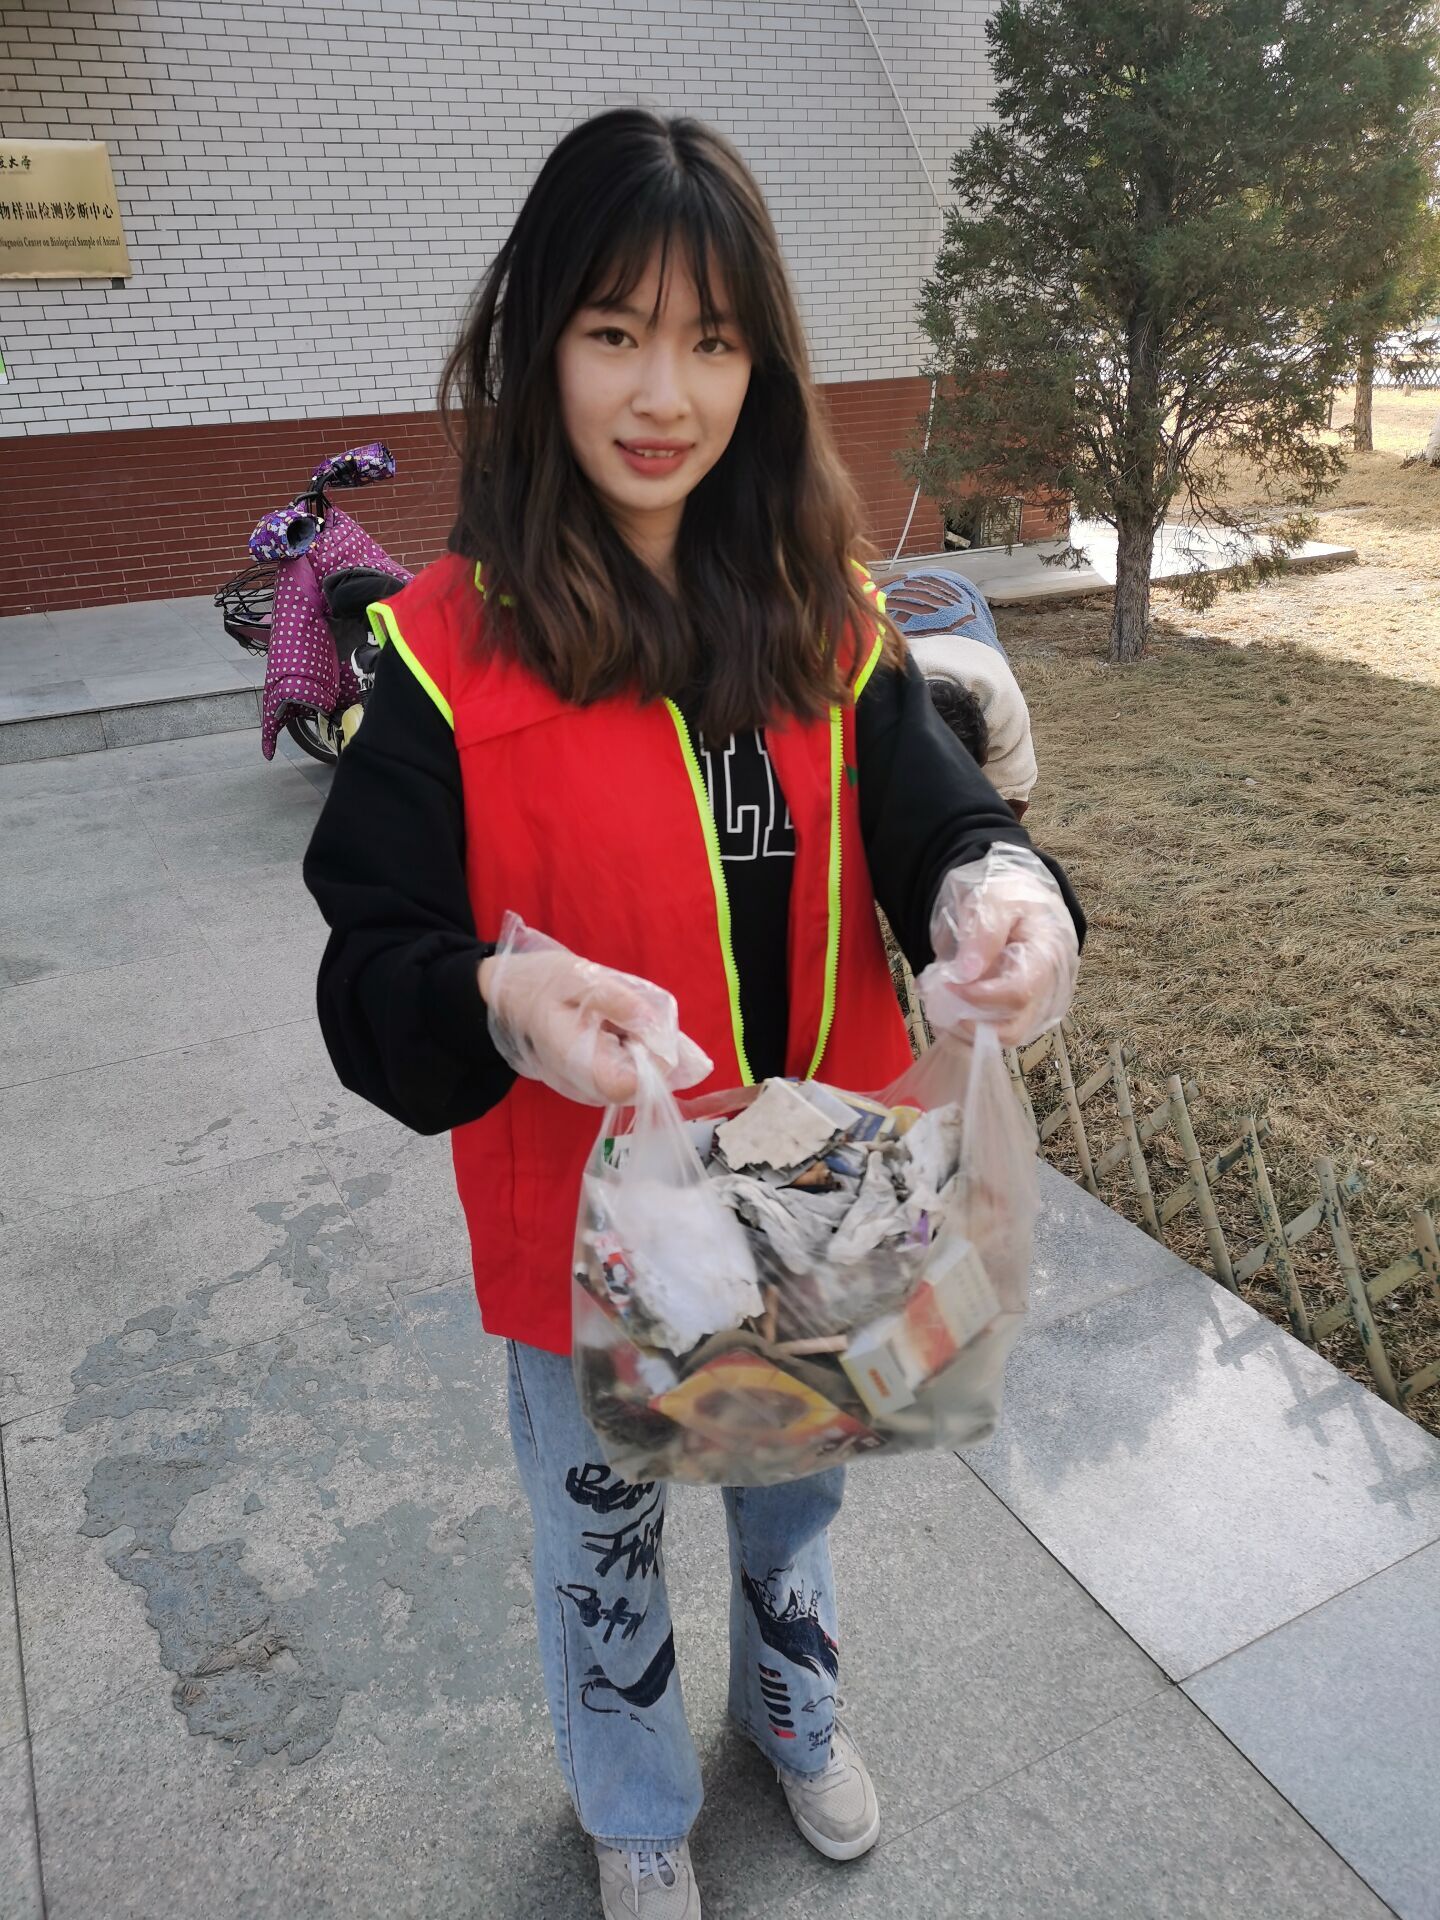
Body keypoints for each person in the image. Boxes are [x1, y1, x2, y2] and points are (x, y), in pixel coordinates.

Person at [303, 109, 1084, 1920]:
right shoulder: (442, 652)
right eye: (615, 333)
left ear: (763, 365)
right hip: (587, 1220)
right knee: (604, 1534)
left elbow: (937, 818)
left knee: (793, 1492)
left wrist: (1001, 898)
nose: (664, 395)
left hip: (815, 1196)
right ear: (540, 347)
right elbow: (369, 964)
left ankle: (793, 1711)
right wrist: (498, 996)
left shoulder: (823, 615)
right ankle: (634, 1797)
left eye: (712, 342)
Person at [882, 567, 1038, 818]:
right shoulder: (860, 692)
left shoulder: (1001, 697)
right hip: (889, 594)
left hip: (956, 589)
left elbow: (1011, 787)